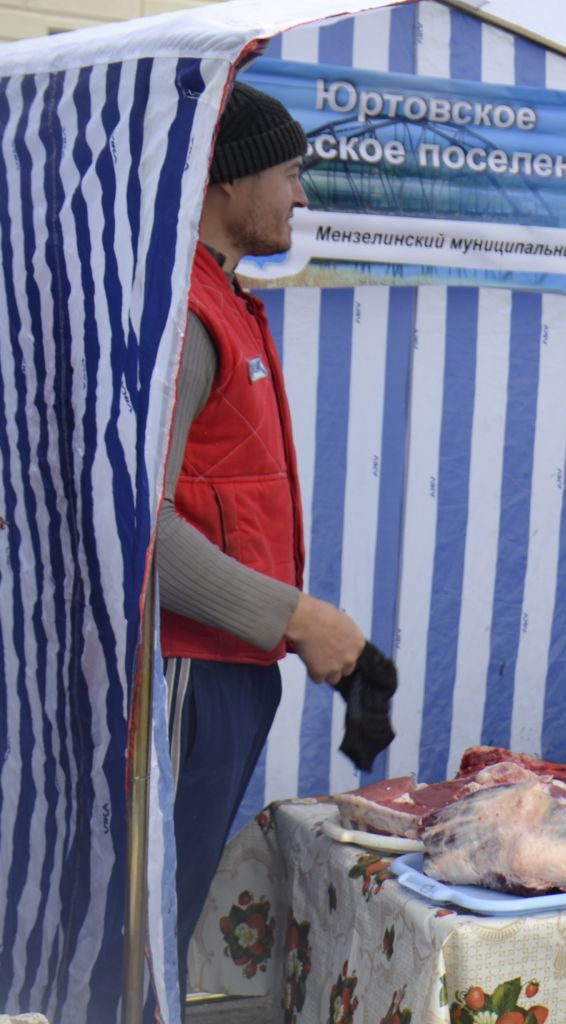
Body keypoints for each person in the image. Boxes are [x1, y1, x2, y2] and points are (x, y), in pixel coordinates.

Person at [161, 81, 368, 975]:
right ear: (226, 182)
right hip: (183, 671)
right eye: (289, 171)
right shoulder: (187, 315)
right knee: (146, 923)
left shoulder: (224, 298)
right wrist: (297, 616)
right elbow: (139, 527)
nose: (302, 194)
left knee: (165, 915)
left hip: (225, 669)